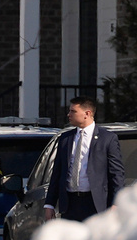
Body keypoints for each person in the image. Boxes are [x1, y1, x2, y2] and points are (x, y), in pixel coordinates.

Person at [44, 95, 124, 223]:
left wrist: (116, 203)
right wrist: (50, 204)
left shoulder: (107, 138)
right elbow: (57, 173)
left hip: (95, 204)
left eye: (73, 111)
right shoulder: (65, 138)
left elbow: (116, 174)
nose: (68, 114)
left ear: (87, 113)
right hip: (70, 204)